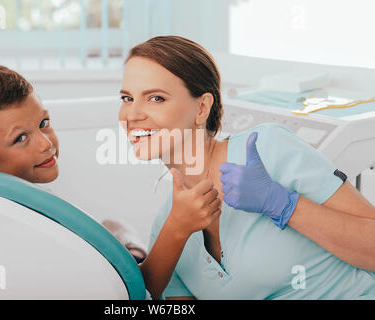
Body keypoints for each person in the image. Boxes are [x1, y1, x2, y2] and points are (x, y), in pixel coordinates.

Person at [119, 35, 375, 299]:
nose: (132, 115)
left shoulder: (268, 149)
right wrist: (175, 229)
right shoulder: (167, 225)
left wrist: (282, 203)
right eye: (127, 98)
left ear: (201, 108)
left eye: (156, 98)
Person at [0, 64, 147, 262]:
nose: (46, 143)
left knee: (114, 225)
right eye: (21, 138)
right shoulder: (23, 221)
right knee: (117, 227)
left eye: (44, 124)